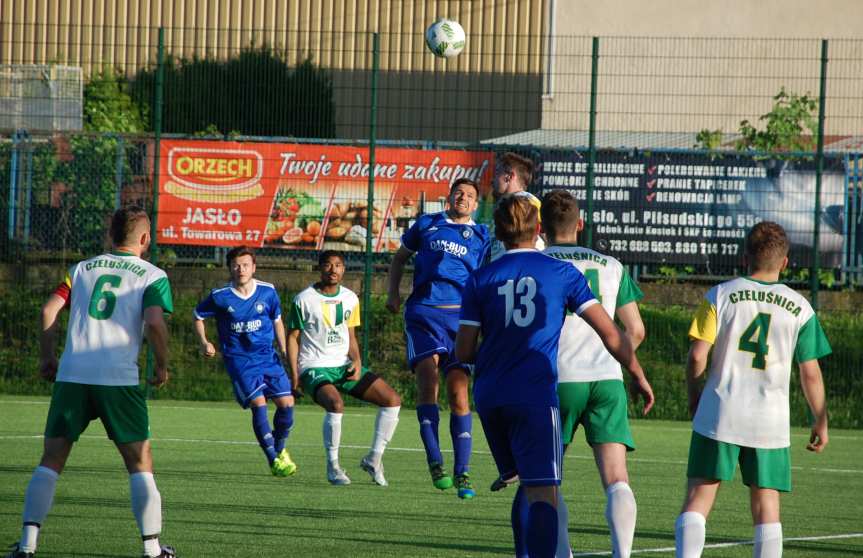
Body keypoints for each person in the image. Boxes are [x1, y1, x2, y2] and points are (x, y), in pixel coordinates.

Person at [455, 194, 651, 558]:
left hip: (498, 393)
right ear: (537, 229)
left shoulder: (481, 277)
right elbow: (619, 333)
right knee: (550, 487)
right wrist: (636, 372)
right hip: (556, 386)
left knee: (527, 486)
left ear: (499, 232)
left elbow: (463, 352)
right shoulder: (570, 271)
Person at [6, 208, 176, 558]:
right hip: (118, 379)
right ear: (145, 239)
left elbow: (48, 311)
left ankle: (27, 545)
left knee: (52, 458)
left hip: (73, 376)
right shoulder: (152, 275)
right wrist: (162, 365)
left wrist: (47, 357)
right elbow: (155, 324)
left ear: (109, 236)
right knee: (140, 462)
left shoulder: (81, 269)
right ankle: (152, 549)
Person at [674, 221, 831, 558]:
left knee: (698, 498)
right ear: (785, 262)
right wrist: (820, 419)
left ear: (745, 258)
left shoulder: (720, 294)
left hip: (720, 410)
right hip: (769, 420)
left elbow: (697, 356)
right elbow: (811, 374)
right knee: (766, 507)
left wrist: (693, 395)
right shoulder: (801, 308)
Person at [540, 189, 654, 558]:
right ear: (581, 224)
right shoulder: (611, 265)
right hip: (606, 378)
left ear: (542, 226)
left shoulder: (537, 262)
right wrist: (619, 361)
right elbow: (635, 330)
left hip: (556, 378)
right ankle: (622, 554)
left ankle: (562, 553)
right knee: (616, 477)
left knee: (547, 479)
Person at [386, 178, 490, 498]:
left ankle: (463, 473)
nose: (463, 198)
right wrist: (393, 293)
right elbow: (400, 258)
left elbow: (490, 276)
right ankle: (435, 462)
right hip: (423, 314)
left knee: (459, 394)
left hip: (462, 320)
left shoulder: (483, 236)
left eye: (470, 196)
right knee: (427, 382)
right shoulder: (427, 224)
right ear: (449, 197)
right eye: (459, 192)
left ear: (475, 205)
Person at [286, 250, 401, 486]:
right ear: (319, 268)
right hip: (314, 367)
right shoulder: (304, 299)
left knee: (392, 400)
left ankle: (374, 459)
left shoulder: (350, 298)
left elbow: (350, 335)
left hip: (343, 365)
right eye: (328, 265)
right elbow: (292, 338)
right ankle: (333, 467)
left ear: (344, 269)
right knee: (336, 404)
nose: (333, 270)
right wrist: (295, 376)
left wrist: (357, 361)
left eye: (338, 265)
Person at [193, 246, 297, 478]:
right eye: (236, 265)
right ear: (229, 267)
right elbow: (198, 316)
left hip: (268, 358)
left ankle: (279, 450)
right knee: (258, 404)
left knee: (287, 404)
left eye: (246, 265)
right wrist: (204, 342)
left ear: (254, 267)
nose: (241, 269)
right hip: (239, 360)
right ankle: (273, 460)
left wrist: (282, 346)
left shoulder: (268, 292)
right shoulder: (220, 296)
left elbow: (277, 320)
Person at [488, 152, 544, 262]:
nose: (492, 179)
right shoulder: (504, 204)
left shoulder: (528, 201)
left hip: (522, 266)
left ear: (509, 177)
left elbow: (544, 234)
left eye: (497, 173)